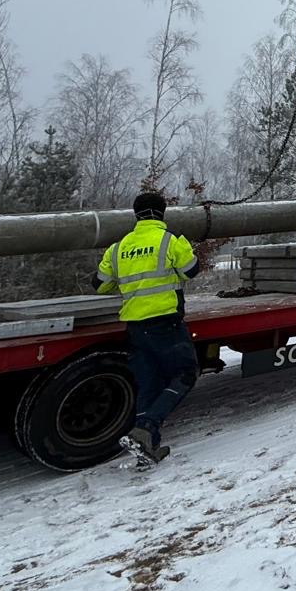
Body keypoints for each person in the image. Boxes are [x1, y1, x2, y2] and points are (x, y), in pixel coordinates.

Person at [96, 191, 201, 464]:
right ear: (162, 212)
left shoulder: (118, 248)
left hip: (134, 325)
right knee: (186, 373)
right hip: (165, 321)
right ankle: (147, 427)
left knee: (149, 383)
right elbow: (191, 270)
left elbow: (100, 283)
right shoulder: (171, 240)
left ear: (136, 215)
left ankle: (146, 449)